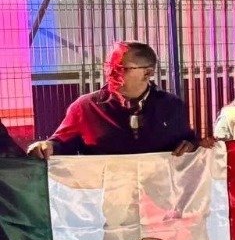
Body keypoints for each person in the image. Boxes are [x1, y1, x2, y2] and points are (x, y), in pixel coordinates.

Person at [29, 41, 201, 158]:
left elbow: (187, 142)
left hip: (157, 196)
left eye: (120, 69)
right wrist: (47, 146)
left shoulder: (171, 105)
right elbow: (60, 143)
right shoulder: (86, 107)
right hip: (105, 196)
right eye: (109, 67)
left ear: (148, 72)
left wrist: (192, 145)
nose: (110, 74)